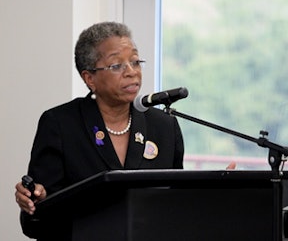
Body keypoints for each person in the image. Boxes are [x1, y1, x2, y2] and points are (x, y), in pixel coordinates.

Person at [15, 21, 190, 240]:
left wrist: (217, 190)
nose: (131, 72)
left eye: (135, 62)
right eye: (117, 65)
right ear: (90, 78)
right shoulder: (61, 124)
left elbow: (177, 207)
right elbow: (35, 224)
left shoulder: (164, 126)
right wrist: (36, 203)